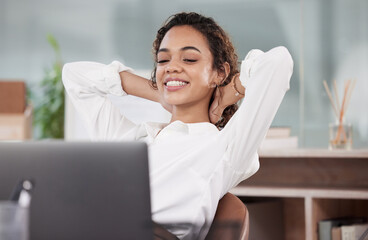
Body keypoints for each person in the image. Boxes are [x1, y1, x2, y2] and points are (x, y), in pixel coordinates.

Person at [62, 12, 293, 240]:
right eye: (163, 60)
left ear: (219, 72)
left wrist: (229, 91)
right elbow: (74, 76)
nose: (171, 67)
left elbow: (279, 62)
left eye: (189, 59)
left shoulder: (223, 147)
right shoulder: (131, 138)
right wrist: (158, 93)